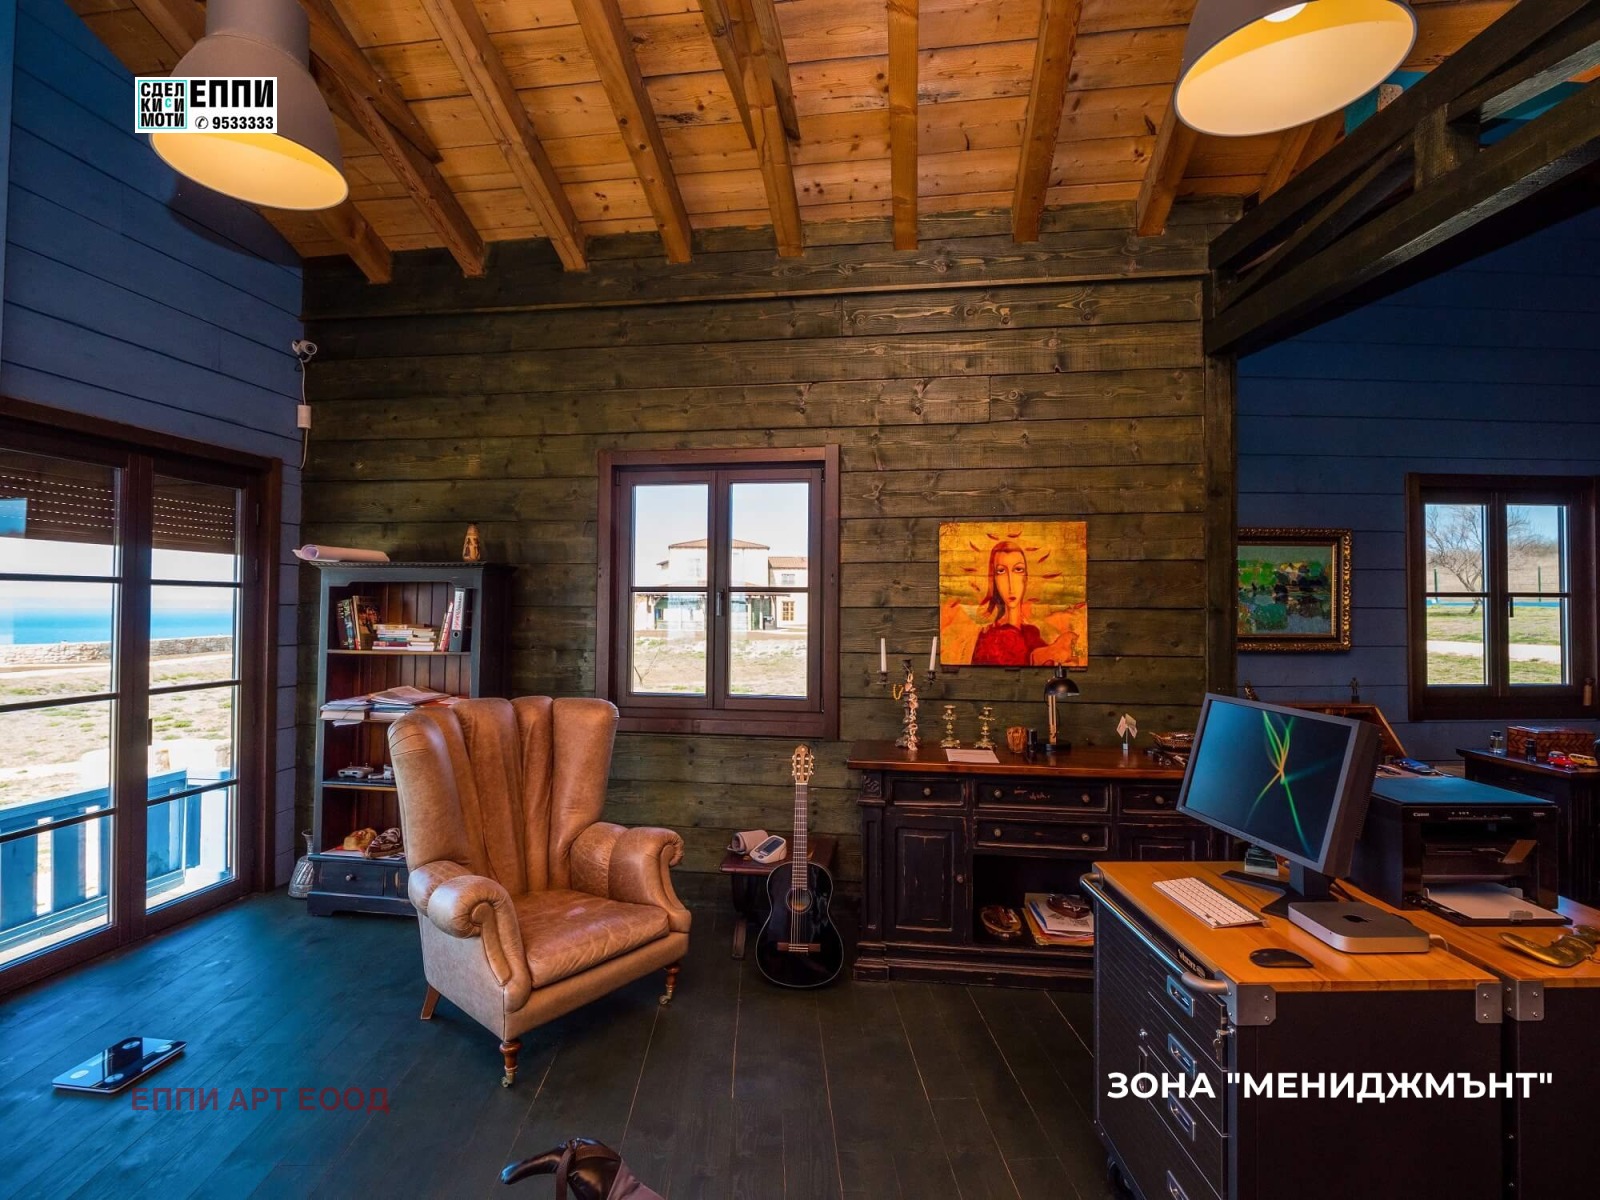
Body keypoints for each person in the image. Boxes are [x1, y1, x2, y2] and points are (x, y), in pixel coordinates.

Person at [971, 541, 1045, 666]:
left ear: (1026, 578)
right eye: (1001, 571)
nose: (1011, 584)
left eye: (1018, 569)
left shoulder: (1032, 634)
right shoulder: (988, 639)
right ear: (994, 579)